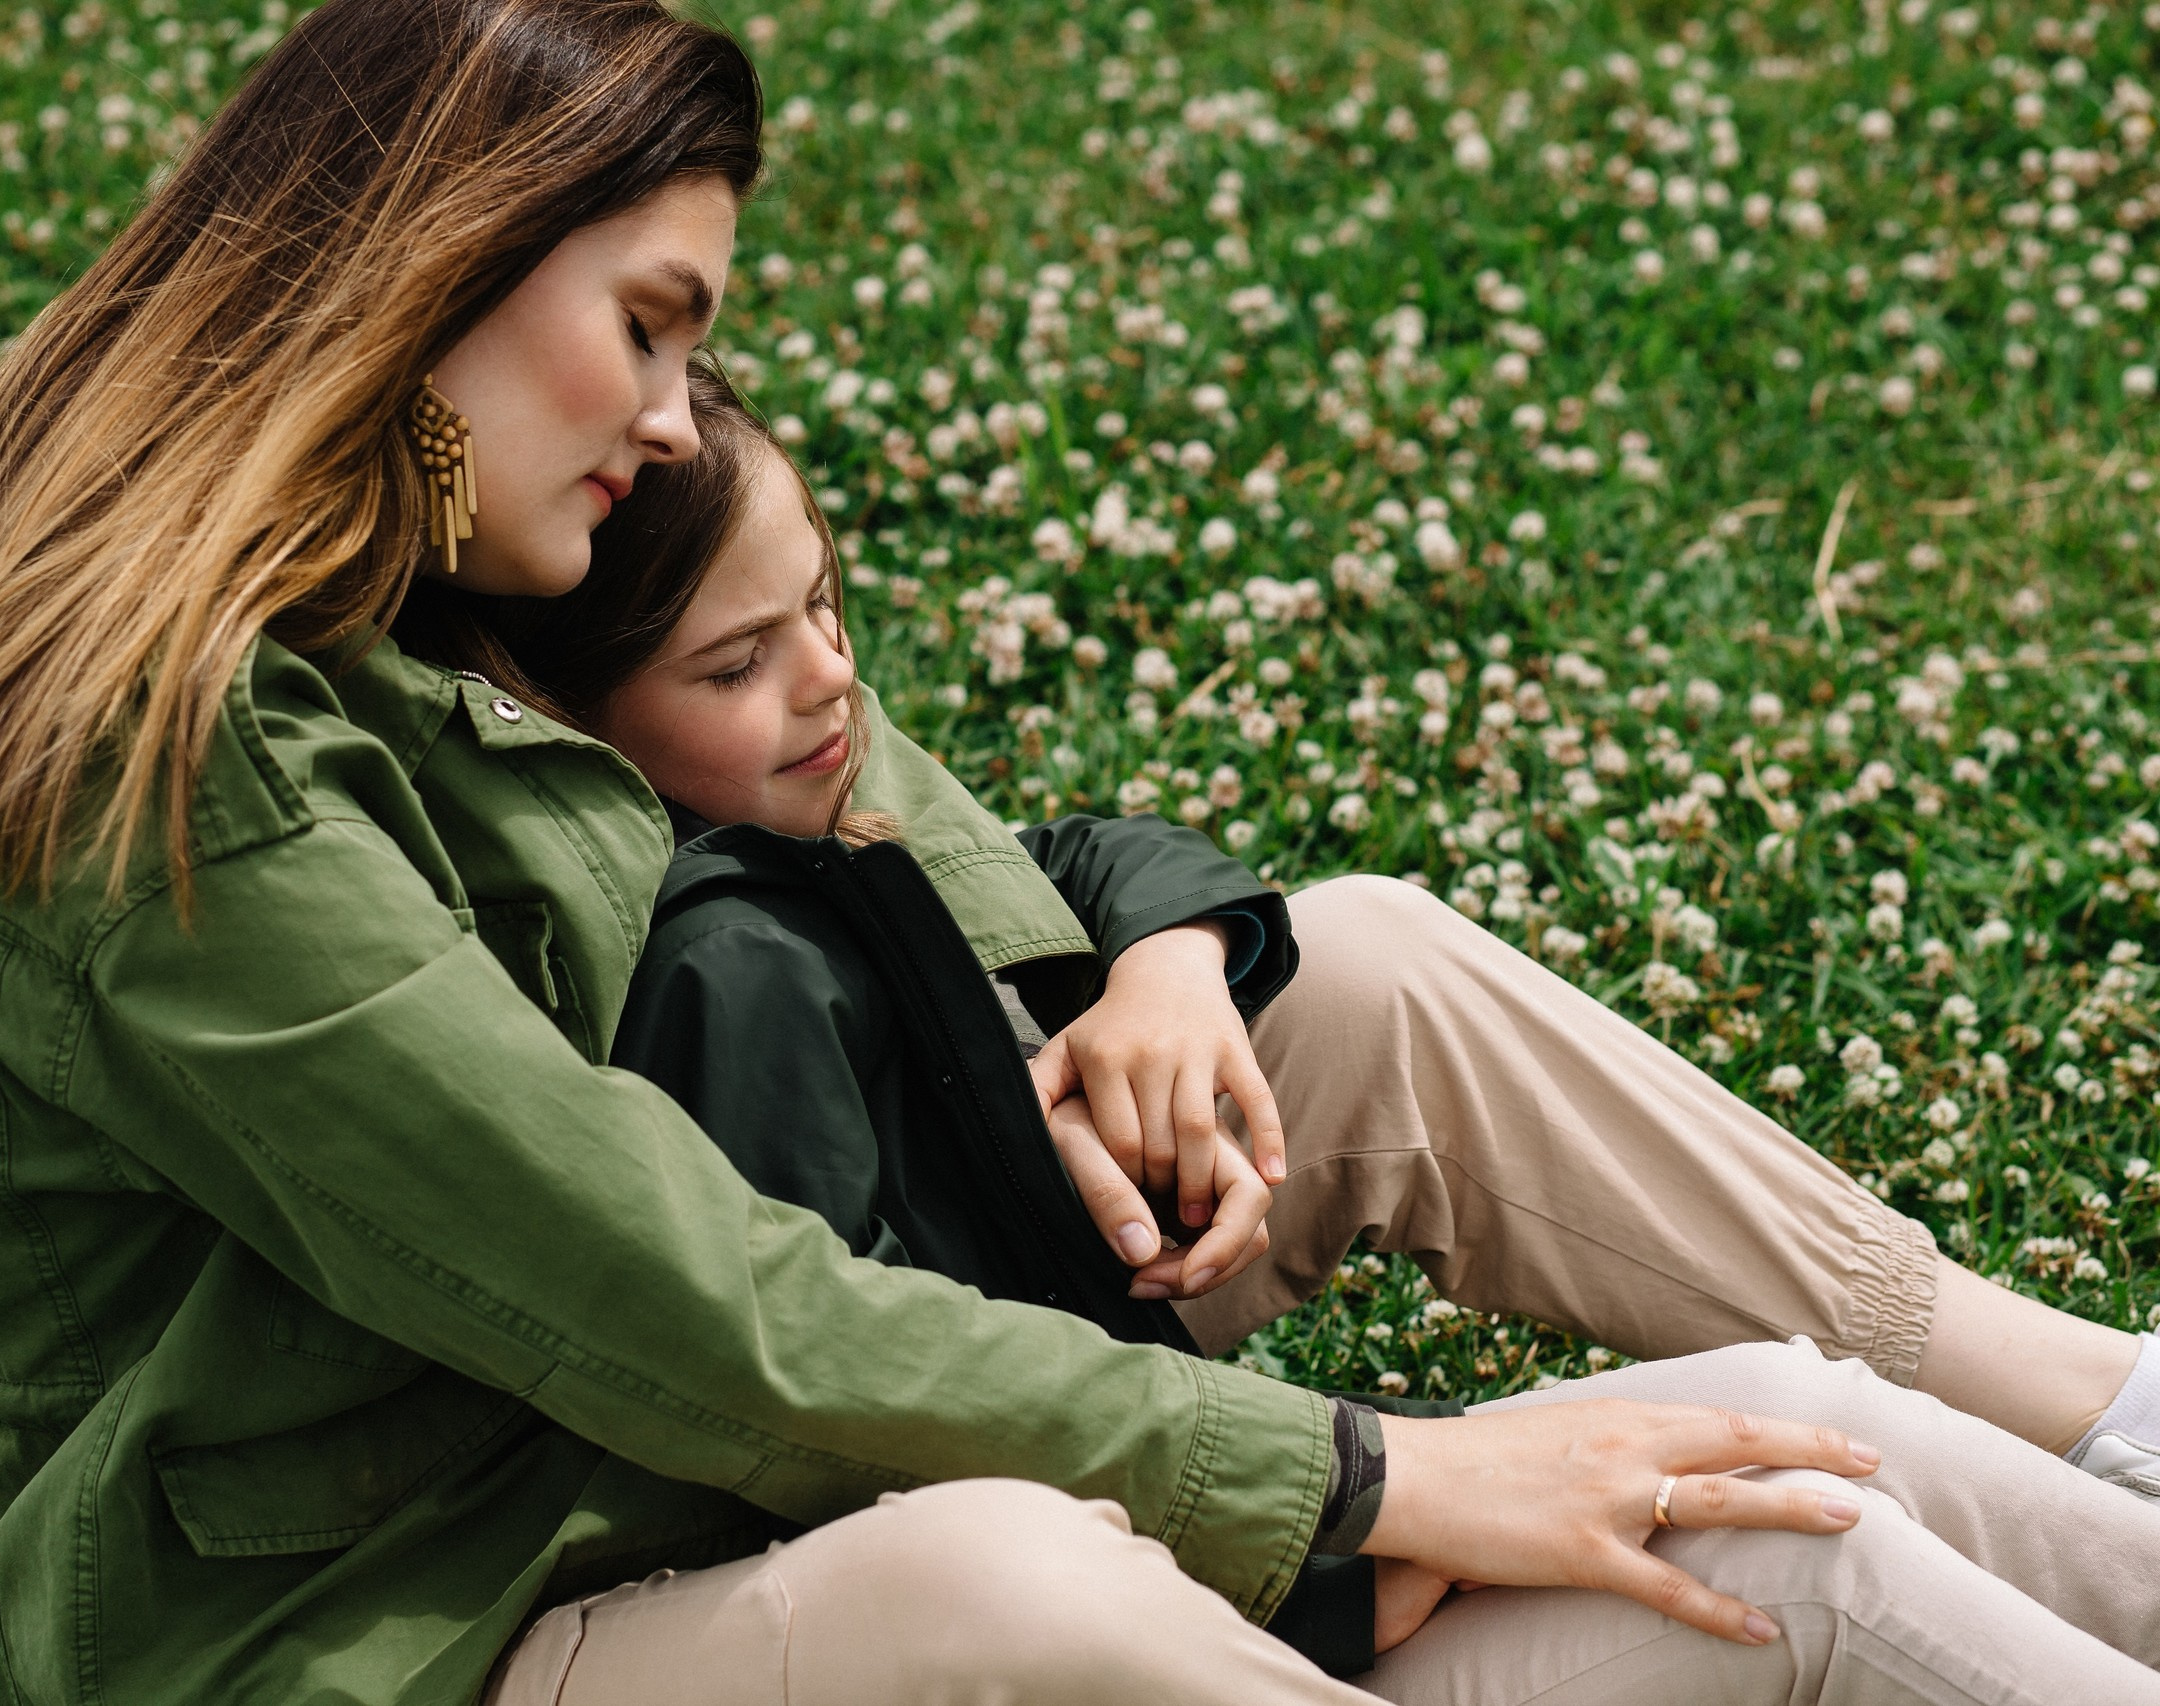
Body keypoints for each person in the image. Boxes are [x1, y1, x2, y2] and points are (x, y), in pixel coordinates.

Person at [0, 3, 2157, 1702]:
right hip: (413, 1599)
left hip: (717, 1376)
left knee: (1369, 975)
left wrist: (1141, 973)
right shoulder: (163, 770)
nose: (679, 413)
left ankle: (2093, 1410)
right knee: (1039, 1577)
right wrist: (1345, 1484)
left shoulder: (419, 522)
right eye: (651, 324)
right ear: (447, 254)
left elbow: (881, 801)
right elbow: (681, 1307)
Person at [475, 360, 2160, 1693]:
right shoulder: (725, 973)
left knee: (1795, 1422)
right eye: (739, 663)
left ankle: (2105, 1414)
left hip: (1159, 1468)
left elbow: (1064, 866)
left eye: (827, 607)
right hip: (1149, 1559)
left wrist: (1170, 964)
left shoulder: (803, 839)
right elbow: (882, 1431)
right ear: (579, 723)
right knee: (1809, 1527)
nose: (831, 679)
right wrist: (1349, 1534)